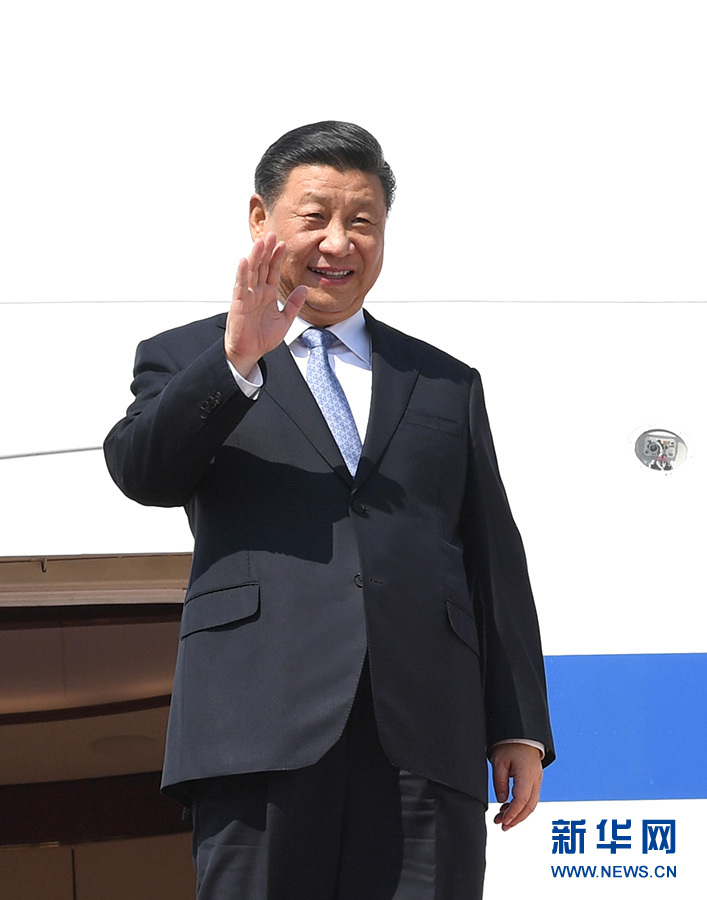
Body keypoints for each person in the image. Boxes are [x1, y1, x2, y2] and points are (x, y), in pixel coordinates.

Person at [104, 121, 554, 900]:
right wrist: (236, 358)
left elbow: (490, 557)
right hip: (257, 729)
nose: (339, 242)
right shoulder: (189, 356)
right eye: (315, 217)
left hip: (424, 735)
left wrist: (515, 725)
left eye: (362, 221)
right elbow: (143, 472)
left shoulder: (444, 381)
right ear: (261, 218)